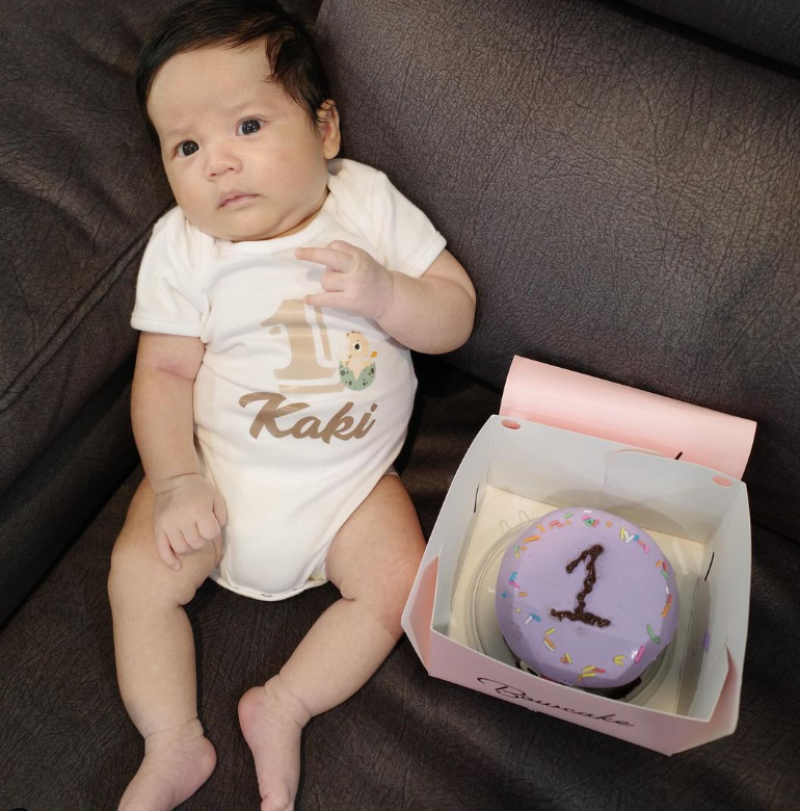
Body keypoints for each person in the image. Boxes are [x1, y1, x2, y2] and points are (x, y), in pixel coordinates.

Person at [108, 1, 476, 809]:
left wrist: (388, 294)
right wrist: (175, 481)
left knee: (399, 580)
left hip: (350, 488)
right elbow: (162, 373)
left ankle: (285, 704)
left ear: (325, 128)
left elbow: (455, 314)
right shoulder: (185, 247)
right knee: (137, 573)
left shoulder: (366, 205)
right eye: (186, 146)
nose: (218, 163)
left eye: (247, 126)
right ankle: (171, 739)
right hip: (218, 474)